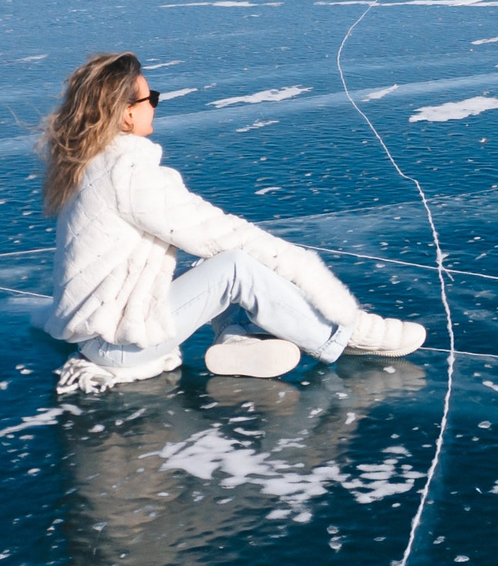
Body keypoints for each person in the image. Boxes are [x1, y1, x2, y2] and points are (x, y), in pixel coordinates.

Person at [36, 51, 427, 396]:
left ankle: (236, 341)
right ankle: (345, 336)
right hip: (122, 345)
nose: (155, 105)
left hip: (101, 336)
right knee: (235, 265)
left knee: (214, 264)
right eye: (150, 98)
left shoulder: (90, 164)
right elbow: (218, 233)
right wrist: (313, 280)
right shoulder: (128, 174)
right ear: (126, 114)